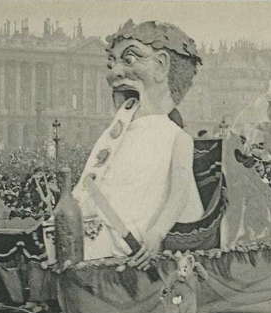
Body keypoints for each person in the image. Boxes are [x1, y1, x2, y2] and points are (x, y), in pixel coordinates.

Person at [72, 20, 204, 267]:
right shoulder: (115, 135)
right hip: (96, 236)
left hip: (131, 243)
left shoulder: (176, 138)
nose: (114, 73)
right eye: (111, 63)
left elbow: (179, 193)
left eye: (129, 60)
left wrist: (157, 233)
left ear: (161, 66)